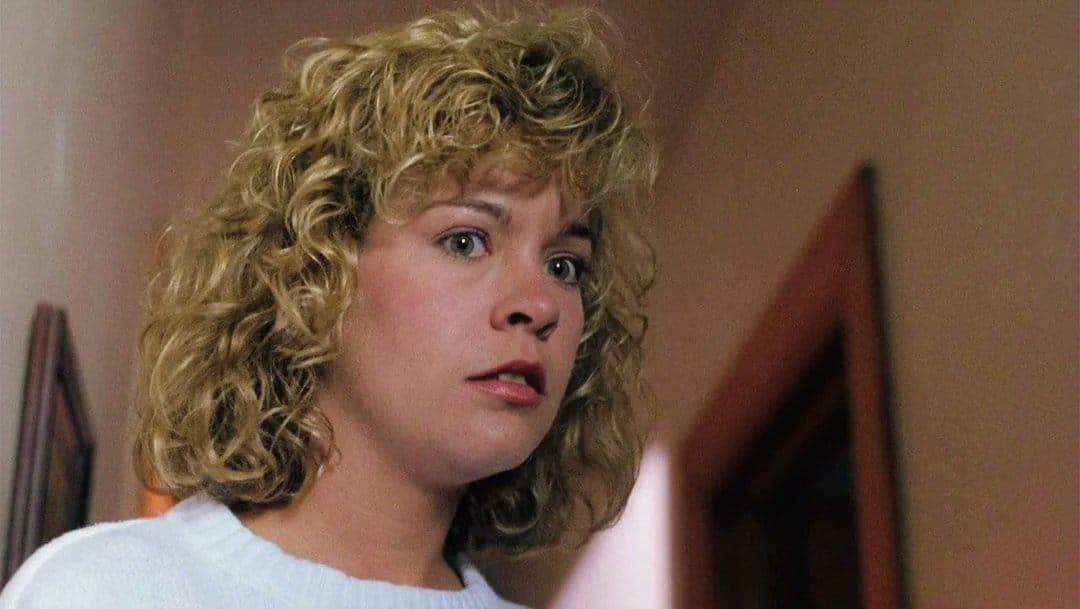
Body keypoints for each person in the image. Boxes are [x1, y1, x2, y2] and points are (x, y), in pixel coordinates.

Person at [0, 5, 657, 608]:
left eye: (565, 265)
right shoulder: (107, 589)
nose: (539, 304)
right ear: (315, 270)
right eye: (466, 240)